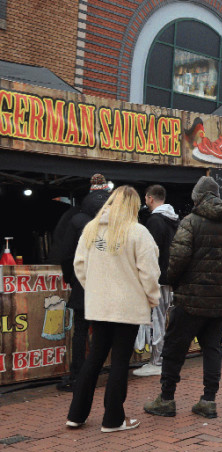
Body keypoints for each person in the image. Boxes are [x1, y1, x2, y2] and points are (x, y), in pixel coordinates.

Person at [144, 176, 222, 419]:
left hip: (189, 299)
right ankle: (208, 400)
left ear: (197, 197)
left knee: (175, 349)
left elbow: (176, 261)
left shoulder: (189, 222)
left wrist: (175, 281)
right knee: (212, 350)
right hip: (218, 301)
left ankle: (166, 399)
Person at [66, 186, 161, 432]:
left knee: (95, 357)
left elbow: (80, 267)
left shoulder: (91, 229)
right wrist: (152, 299)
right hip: (127, 305)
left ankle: (76, 414)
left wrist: (96, 289)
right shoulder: (138, 232)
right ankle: (113, 419)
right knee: (119, 360)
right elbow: (149, 272)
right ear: (134, 206)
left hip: (99, 304)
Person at [51, 174, 110, 392]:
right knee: (105, 330)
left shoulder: (77, 220)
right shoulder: (116, 220)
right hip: (109, 283)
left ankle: (78, 376)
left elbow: (66, 255)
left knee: (81, 331)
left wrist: (71, 278)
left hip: (84, 283)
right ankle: (98, 371)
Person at [133, 185, 179, 377]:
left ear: (150, 198)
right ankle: (160, 358)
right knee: (164, 319)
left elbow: (149, 253)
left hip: (157, 278)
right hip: (171, 277)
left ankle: (157, 360)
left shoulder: (154, 221)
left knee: (157, 320)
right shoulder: (176, 220)